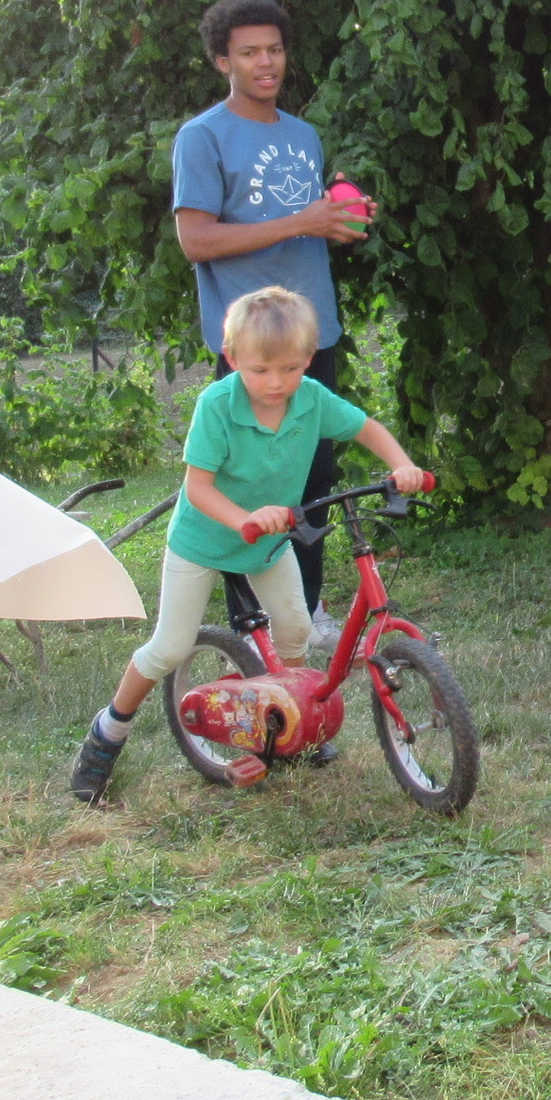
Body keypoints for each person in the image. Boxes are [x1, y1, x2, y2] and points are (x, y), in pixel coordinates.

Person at [69, 286, 428, 802]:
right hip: (202, 542)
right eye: (261, 370)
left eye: (290, 368)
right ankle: (108, 732)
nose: (276, 382)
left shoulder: (310, 399)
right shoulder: (218, 405)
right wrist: (245, 519)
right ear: (233, 358)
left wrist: (401, 464)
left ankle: (288, 721)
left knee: (296, 630)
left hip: (268, 542)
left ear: (309, 358)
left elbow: (365, 427)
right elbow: (198, 488)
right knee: (170, 647)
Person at [171, 0, 369, 643]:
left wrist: (336, 222)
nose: (266, 63)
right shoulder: (202, 137)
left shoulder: (303, 135)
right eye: (249, 52)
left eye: (275, 50)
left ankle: (305, 614)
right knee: (248, 488)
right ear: (222, 60)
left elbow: (300, 225)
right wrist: (301, 221)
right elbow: (196, 239)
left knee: (312, 481)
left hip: (310, 337)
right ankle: (251, 627)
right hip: (251, 349)